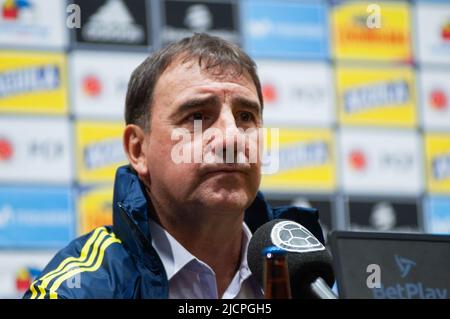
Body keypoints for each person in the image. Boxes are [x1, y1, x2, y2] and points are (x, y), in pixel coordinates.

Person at [23, 33, 324, 299]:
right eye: (197, 117)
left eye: (246, 116)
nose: (232, 138)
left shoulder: (309, 280)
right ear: (138, 150)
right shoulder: (79, 289)